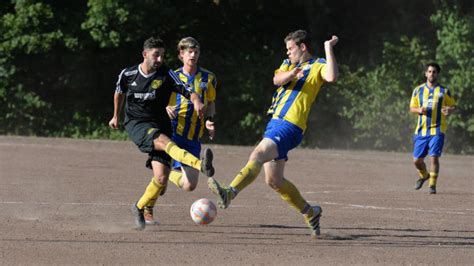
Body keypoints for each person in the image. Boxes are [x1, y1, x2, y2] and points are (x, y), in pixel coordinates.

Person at [207, 29, 339, 238]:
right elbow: (277, 80)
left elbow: (331, 76)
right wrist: (293, 73)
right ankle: (310, 212)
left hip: (290, 126)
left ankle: (229, 192)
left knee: (257, 154)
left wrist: (327, 49)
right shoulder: (289, 65)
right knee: (274, 181)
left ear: (302, 47)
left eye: (290, 49)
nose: (287, 53)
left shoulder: (318, 65)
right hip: (275, 124)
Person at [108, 37, 215, 230]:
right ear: (145, 54)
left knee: (161, 179)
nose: (159, 59)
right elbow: (119, 92)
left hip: (161, 125)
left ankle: (139, 207)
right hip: (138, 124)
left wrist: (197, 100)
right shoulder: (128, 73)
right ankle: (201, 165)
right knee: (167, 144)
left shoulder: (166, 74)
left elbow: (187, 89)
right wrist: (115, 116)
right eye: (156, 55)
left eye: (162, 55)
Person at [143, 37, 217, 225]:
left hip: (192, 138)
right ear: (181, 55)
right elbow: (155, 102)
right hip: (171, 133)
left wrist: (209, 121)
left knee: (189, 185)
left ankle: (166, 175)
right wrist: (165, 109)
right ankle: (147, 210)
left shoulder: (209, 78)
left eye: (196, 52)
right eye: (189, 52)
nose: (193, 55)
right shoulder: (169, 76)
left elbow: (210, 104)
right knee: (161, 184)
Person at [410, 62, 456, 194]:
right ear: (425, 74)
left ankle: (432, 185)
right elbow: (412, 108)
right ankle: (424, 175)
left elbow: (453, 106)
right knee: (417, 161)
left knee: (434, 157)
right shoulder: (418, 90)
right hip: (421, 130)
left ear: (438, 74)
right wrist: (419, 109)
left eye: (434, 72)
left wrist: (449, 110)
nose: (431, 74)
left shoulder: (444, 91)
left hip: (438, 129)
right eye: (429, 71)